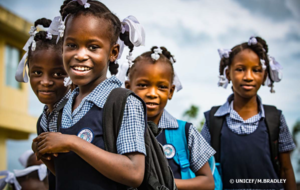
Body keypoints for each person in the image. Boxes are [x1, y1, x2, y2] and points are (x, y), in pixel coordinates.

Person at [33, 0, 146, 189]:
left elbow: (134, 173)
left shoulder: (122, 103)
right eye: (71, 45)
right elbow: (72, 174)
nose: (80, 55)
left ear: (113, 52)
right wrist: (45, 156)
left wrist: (73, 143)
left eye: (93, 47)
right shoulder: (60, 108)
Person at [201, 36, 297, 190]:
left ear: (264, 75)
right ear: (228, 74)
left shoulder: (275, 119)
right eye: (240, 69)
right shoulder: (213, 120)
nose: (248, 77)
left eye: (256, 70)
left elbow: (286, 170)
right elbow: (202, 169)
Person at [125, 46, 215, 190]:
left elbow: (208, 182)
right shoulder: (119, 130)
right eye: (143, 85)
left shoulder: (185, 132)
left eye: (161, 87)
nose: (152, 93)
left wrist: (162, 184)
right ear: (128, 88)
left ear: (171, 91)